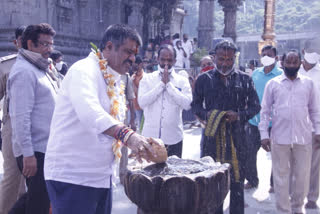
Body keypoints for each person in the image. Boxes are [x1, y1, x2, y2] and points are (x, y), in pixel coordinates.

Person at [44, 24, 156, 214]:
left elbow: (110, 123)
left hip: (100, 177)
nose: (132, 58)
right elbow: (90, 112)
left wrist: (133, 146)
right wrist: (128, 136)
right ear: (109, 46)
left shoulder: (114, 78)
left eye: (134, 53)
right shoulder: (84, 70)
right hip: (73, 176)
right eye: (128, 51)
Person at [191, 40, 260, 214]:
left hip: (238, 140)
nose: (225, 63)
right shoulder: (203, 80)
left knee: (237, 185)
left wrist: (239, 115)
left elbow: (255, 107)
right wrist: (207, 115)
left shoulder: (245, 79)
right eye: (221, 59)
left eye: (229, 59)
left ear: (234, 59)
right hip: (211, 140)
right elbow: (196, 105)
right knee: (213, 185)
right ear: (214, 57)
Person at [259, 50, 320, 214]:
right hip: (280, 138)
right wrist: (264, 135)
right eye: (289, 62)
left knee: (302, 176)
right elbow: (264, 112)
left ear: (300, 64)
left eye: (295, 62)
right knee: (280, 177)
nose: (292, 65)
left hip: (304, 137)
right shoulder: (273, 84)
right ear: (282, 63)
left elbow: (314, 110)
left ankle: (297, 208)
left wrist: (318, 130)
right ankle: (283, 210)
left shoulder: (308, 83)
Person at [7, 23, 58, 214]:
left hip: (44, 148)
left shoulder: (38, 67)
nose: (49, 49)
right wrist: (28, 154)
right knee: (39, 203)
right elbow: (20, 117)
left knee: (35, 198)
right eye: (44, 44)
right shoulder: (24, 71)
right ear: (30, 44)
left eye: (51, 44)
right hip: (34, 151)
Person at [138, 44, 192, 158]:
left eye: (169, 60)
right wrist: (161, 84)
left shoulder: (182, 81)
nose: (166, 63)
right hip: (150, 138)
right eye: (163, 59)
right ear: (157, 59)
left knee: (173, 175)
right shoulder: (147, 79)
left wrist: (169, 86)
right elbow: (142, 102)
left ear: (175, 61)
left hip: (174, 138)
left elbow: (187, 104)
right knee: (149, 174)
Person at [244, 45, 282, 190]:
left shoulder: (281, 75)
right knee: (249, 153)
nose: (266, 57)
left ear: (276, 58)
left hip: (275, 123)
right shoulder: (255, 74)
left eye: (269, 55)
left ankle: (274, 183)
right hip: (254, 121)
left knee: (277, 155)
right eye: (263, 54)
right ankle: (252, 180)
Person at [0, 26, 26, 214]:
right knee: (12, 176)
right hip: (12, 125)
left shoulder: (46, 64)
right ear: (16, 42)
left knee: (32, 178)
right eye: (22, 40)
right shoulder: (6, 66)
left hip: (39, 128)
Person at [298, 38, 320, 210]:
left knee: (313, 164)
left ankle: (312, 196)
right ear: (303, 52)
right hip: (294, 125)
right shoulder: (292, 71)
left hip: (315, 126)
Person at [131, 55, 144, 132]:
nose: (133, 65)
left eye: (135, 63)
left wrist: (132, 83)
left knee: (141, 128)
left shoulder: (144, 77)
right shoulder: (133, 76)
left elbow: (139, 92)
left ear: (140, 64)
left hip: (141, 107)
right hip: (133, 106)